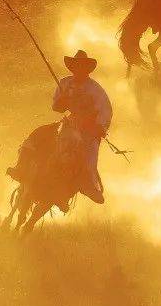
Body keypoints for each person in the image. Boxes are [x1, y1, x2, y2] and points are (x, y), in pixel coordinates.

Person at [7, 50, 112, 205]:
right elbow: (57, 107)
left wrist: (99, 128)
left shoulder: (95, 89)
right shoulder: (64, 83)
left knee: (89, 158)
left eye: (82, 67)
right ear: (73, 68)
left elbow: (105, 110)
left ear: (87, 70)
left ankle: (89, 186)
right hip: (69, 123)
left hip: (89, 129)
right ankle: (20, 168)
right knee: (35, 136)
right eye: (76, 67)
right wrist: (62, 101)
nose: (79, 70)